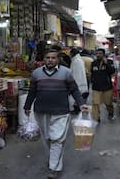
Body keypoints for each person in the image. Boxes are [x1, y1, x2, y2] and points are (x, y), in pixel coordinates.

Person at [23, 49, 88, 179]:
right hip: (41, 111)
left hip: (61, 111)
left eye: (53, 58)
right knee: (47, 138)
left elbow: (74, 90)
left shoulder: (66, 73)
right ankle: (54, 158)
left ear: (58, 59)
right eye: (48, 57)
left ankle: (54, 168)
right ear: (44, 59)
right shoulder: (36, 73)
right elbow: (32, 91)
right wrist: (27, 106)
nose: (50, 60)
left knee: (57, 139)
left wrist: (81, 104)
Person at [91, 48, 116, 122]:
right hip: (96, 87)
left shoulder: (109, 62)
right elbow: (92, 73)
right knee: (95, 103)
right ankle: (96, 118)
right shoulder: (93, 63)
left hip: (107, 87)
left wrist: (106, 64)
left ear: (103, 54)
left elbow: (112, 71)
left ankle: (110, 113)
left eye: (100, 53)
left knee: (108, 103)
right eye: (97, 53)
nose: (98, 55)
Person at [70, 48, 89, 114]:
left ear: (72, 53)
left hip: (77, 81)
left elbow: (76, 73)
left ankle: (77, 109)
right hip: (80, 80)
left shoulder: (76, 61)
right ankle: (76, 109)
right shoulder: (78, 60)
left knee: (76, 95)